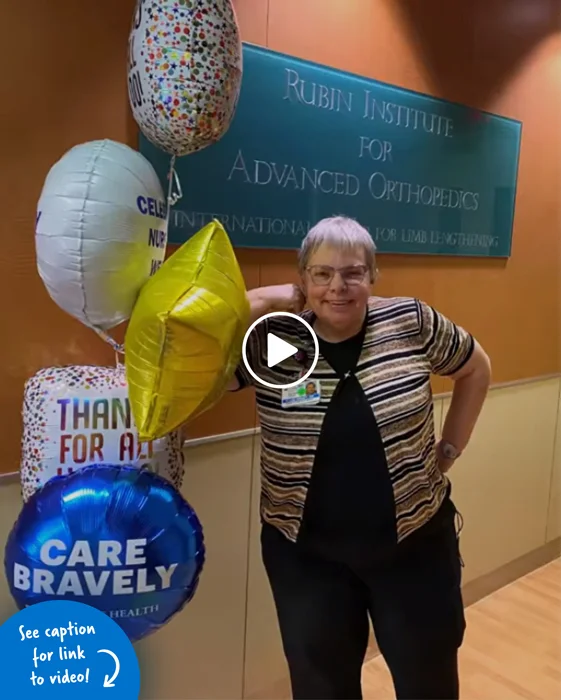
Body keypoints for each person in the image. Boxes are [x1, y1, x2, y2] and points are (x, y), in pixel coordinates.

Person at [231, 216, 491, 700]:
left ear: (373, 276)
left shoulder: (409, 321)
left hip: (413, 547)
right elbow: (194, 363)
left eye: (353, 272)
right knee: (321, 687)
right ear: (302, 280)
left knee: (427, 682)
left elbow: (476, 368)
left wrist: (450, 448)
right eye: (322, 274)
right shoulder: (278, 338)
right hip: (307, 557)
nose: (338, 287)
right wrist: (259, 301)